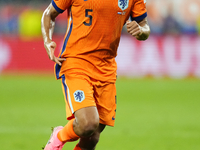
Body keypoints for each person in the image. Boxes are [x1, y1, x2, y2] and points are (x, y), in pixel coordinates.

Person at [41, 0, 150, 149]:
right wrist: (47, 41)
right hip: (76, 61)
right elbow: (49, 14)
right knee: (88, 124)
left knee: (92, 138)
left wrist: (141, 30)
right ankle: (59, 137)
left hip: (106, 68)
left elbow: (144, 27)